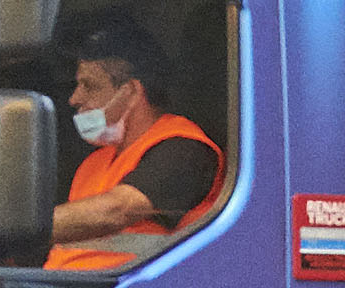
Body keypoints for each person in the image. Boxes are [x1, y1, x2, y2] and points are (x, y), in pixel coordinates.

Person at [47, 19, 226, 273]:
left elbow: (117, 210)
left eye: (89, 86)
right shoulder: (93, 163)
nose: (74, 98)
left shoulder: (184, 149)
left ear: (130, 90)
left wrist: (18, 230)